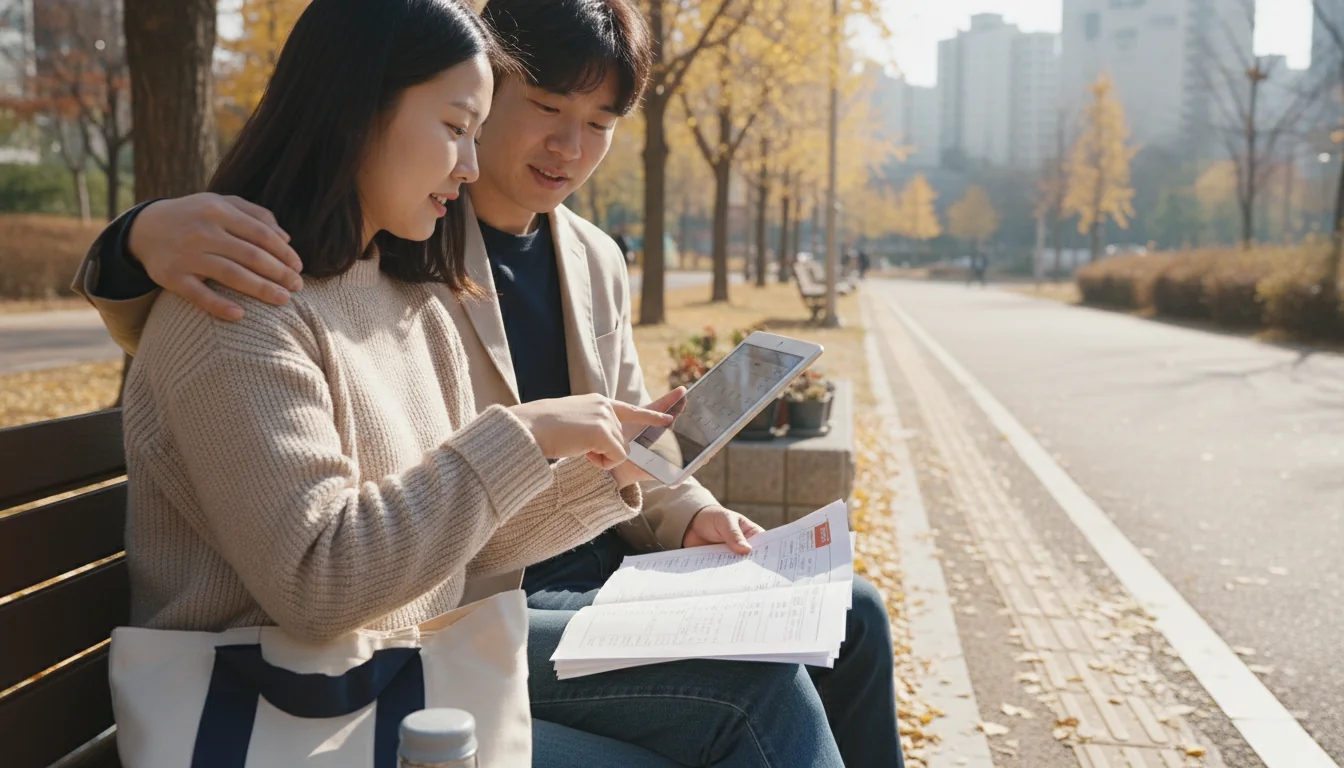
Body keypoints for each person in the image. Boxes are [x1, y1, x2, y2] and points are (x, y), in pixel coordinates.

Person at [73, 1, 902, 765]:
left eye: (600, 123)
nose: (469, 166)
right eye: (459, 126)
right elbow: (322, 582)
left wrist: (616, 470)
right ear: (358, 107)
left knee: (819, 639)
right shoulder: (254, 302)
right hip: (289, 703)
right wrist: (135, 238)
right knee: (751, 697)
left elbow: (458, 536)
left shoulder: (407, 291)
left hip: (403, 656)